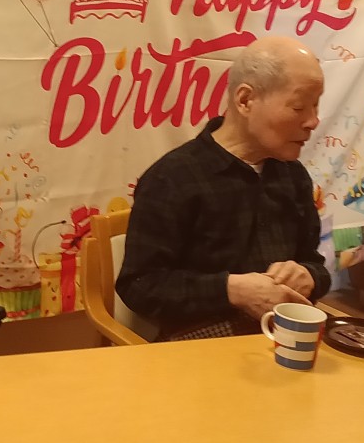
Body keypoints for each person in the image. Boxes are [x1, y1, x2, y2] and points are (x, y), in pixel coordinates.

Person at [116, 37, 331, 341]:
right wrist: (231, 290)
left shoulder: (292, 176)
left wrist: (308, 276)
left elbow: (316, 265)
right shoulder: (173, 178)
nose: (313, 121)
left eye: (315, 105)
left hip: (282, 336)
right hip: (202, 343)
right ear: (245, 100)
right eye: (299, 107)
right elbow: (140, 287)